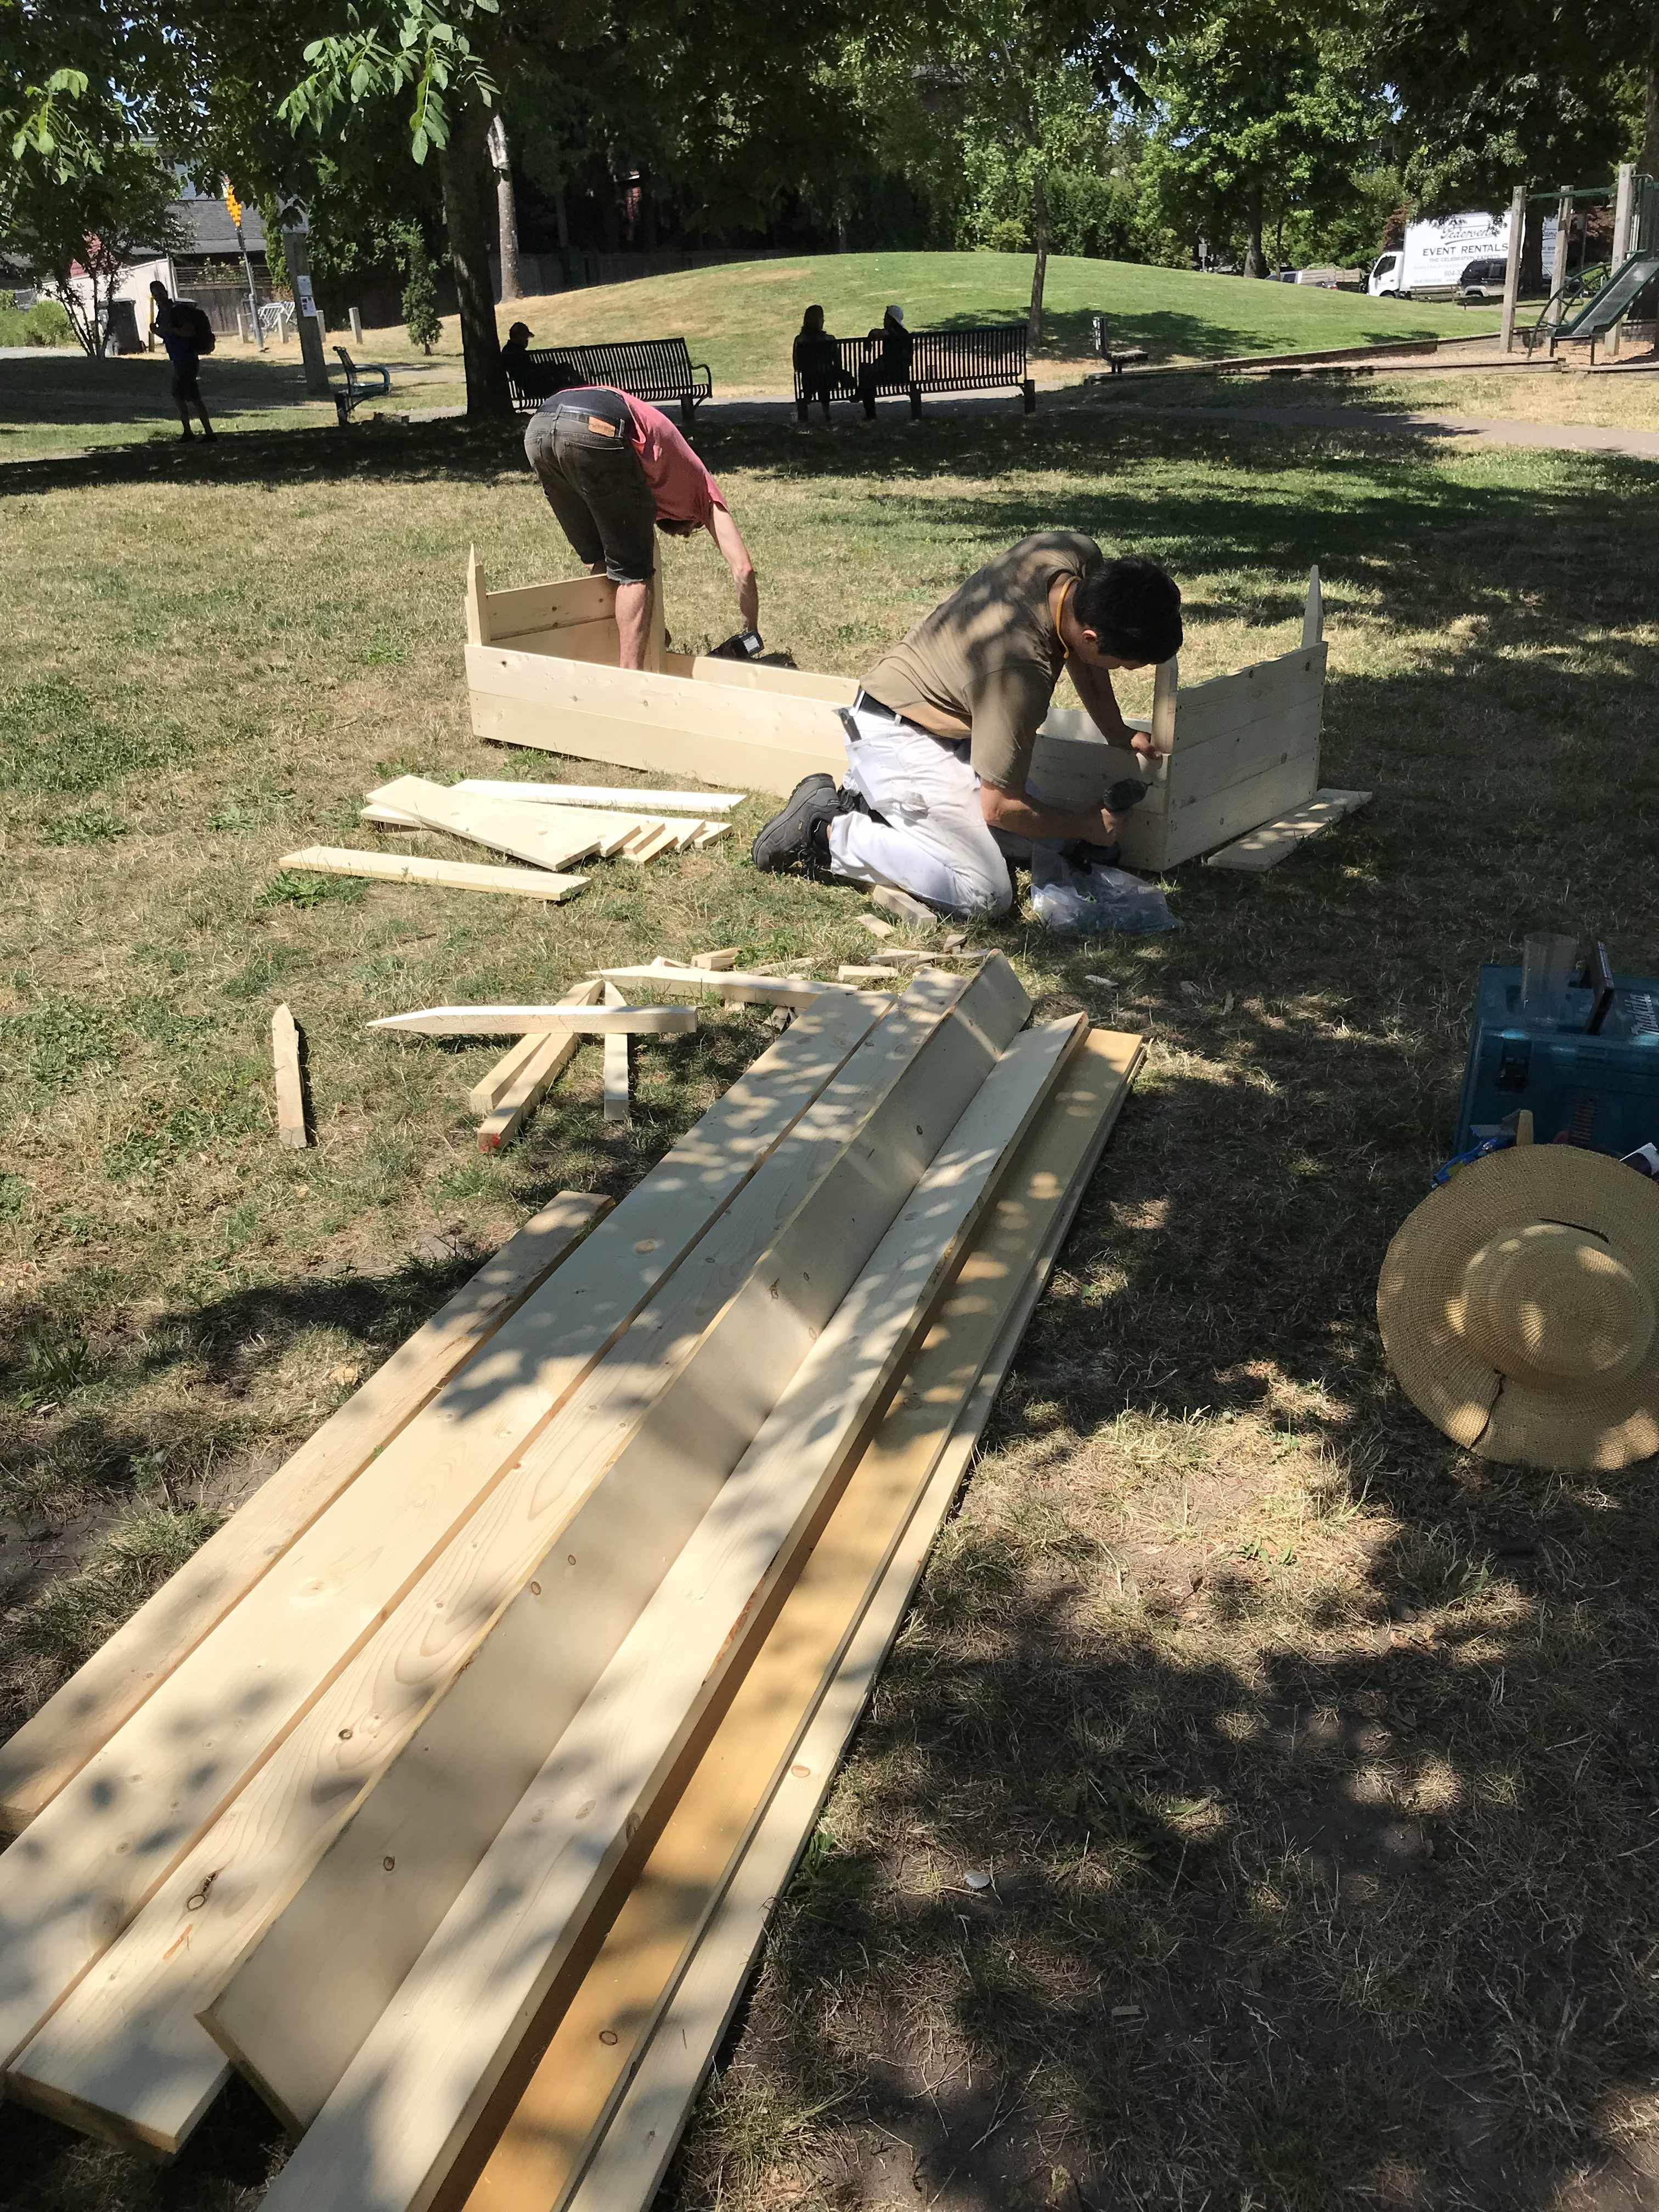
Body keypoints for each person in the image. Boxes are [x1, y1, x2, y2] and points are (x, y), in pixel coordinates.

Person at [751, 532, 1183, 919]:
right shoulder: (1017, 672)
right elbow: (1001, 807)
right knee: (985, 893)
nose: (1125, 671)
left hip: (942, 725)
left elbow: (1082, 654)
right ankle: (826, 828)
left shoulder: (1070, 554)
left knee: (1045, 845)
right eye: (1126, 664)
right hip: (898, 736)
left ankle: (880, 807)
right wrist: (1085, 826)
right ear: (1092, 637)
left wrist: (1118, 734)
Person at [524, 377, 759, 670]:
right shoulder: (703, 492)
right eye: (693, 529)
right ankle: (631, 681)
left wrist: (655, 629)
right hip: (598, 426)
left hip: (539, 426)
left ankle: (620, 648)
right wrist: (751, 632)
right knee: (634, 572)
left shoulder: (655, 482)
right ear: (691, 521)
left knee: (599, 559)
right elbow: (743, 568)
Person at [148, 279, 215, 442]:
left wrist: (170, 329)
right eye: (156, 294)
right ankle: (193, 432)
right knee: (183, 396)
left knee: (188, 396)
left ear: (166, 291)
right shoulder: (162, 313)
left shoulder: (177, 311)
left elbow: (189, 332)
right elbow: (168, 336)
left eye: (161, 292)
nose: (159, 296)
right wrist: (157, 332)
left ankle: (204, 433)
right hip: (178, 359)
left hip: (187, 359)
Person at [792, 304, 852, 419]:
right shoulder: (830, 340)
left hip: (809, 381)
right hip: (828, 380)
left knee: (815, 380)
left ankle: (805, 409)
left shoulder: (800, 340)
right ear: (820, 321)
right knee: (824, 379)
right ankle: (826, 413)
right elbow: (838, 363)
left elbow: (797, 366)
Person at [858, 304, 913, 418]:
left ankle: (868, 410)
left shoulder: (893, 333)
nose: (884, 320)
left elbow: (877, 333)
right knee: (867, 373)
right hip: (901, 373)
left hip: (890, 373)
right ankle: (861, 393)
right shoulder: (904, 333)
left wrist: (870, 336)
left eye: (886, 317)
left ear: (892, 319)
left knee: (865, 372)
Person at [499, 320, 562, 403]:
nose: (527, 341)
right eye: (526, 338)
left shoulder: (508, 350)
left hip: (530, 385)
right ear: (519, 337)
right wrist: (545, 367)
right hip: (535, 386)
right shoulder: (517, 352)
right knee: (564, 372)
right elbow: (527, 370)